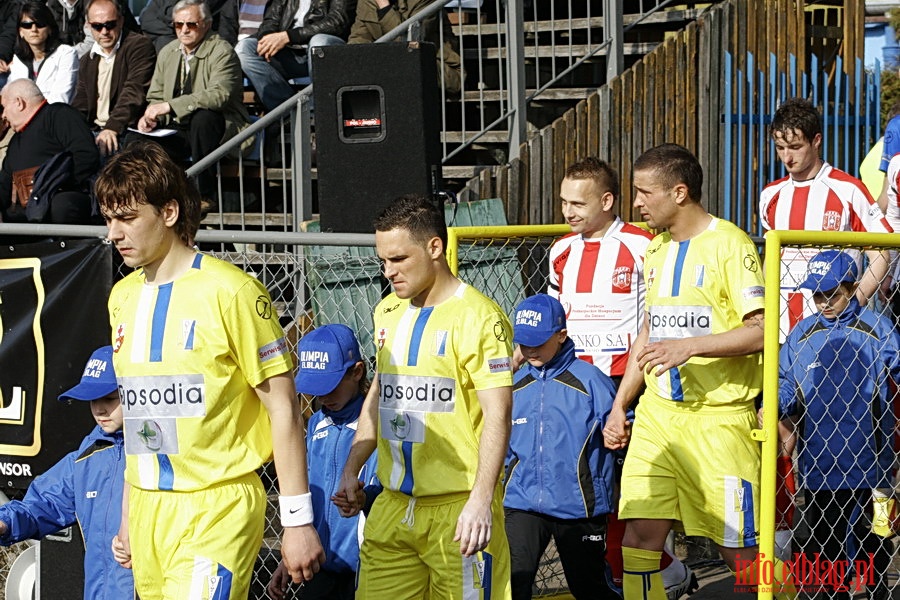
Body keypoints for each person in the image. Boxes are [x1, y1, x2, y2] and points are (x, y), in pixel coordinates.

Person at [96, 141, 324, 599]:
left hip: (216, 507)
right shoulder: (122, 297)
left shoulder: (233, 291)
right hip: (147, 510)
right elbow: (142, 416)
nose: (113, 234)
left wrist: (297, 520)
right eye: (108, 219)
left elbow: (283, 408)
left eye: (127, 218)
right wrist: (127, 513)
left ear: (170, 213)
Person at [602, 144, 792, 599]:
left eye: (645, 193)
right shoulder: (656, 249)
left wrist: (691, 347)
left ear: (680, 193)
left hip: (720, 424)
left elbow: (763, 332)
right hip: (658, 420)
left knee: (743, 558)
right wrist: (619, 404)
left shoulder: (731, 243)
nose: (637, 203)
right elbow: (649, 335)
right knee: (640, 542)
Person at [332, 194, 513, 599]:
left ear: (435, 248)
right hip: (393, 508)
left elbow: (498, 416)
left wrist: (482, 501)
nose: (388, 271)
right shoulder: (386, 312)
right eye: (382, 261)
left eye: (398, 259)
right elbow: (380, 395)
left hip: (458, 510)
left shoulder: (481, 318)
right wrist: (352, 468)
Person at [547, 156, 696, 599]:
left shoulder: (642, 244)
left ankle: (662, 566)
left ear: (608, 201)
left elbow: (655, 316)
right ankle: (630, 571)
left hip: (625, 383)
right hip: (576, 384)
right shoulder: (560, 251)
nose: (568, 211)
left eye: (578, 202)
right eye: (563, 202)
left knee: (631, 483)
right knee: (588, 481)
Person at [778, 250, 899, 600]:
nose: (823, 302)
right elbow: (788, 382)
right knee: (827, 541)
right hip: (820, 461)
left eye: (831, 294)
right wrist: (776, 403)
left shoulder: (876, 328)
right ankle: (836, 593)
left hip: (873, 461)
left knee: (878, 533)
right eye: (816, 294)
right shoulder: (803, 334)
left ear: (851, 288)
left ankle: (877, 589)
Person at [504, 293, 618, 600]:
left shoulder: (590, 381)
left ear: (561, 335)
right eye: (524, 343)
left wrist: (618, 432)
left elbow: (620, 424)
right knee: (512, 584)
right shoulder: (513, 383)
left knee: (589, 588)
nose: (529, 350)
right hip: (522, 501)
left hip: (578, 506)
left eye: (538, 343)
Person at [0, 345, 133, 600]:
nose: (99, 410)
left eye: (109, 398)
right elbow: (41, 504)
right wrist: (5, 523)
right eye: (93, 399)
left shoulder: (163, 455)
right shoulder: (85, 459)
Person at [759, 97, 892, 334]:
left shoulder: (848, 189)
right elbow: (771, 256)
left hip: (834, 331)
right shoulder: (771, 194)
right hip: (781, 331)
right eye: (781, 148)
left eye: (796, 147)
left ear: (816, 141)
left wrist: (855, 303)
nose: (787, 157)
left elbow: (881, 253)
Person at [268, 324, 378, 600]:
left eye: (330, 385)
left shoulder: (377, 428)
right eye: (316, 388)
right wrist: (292, 550)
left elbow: (391, 493)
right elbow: (311, 488)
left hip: (366, 567)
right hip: (323, 566)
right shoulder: (317, 422)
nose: (323, 397)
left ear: (357, 372)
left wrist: (367, 499)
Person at [130, 0, 251, 202]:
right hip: (177, 128)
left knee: (203, 119)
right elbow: (156, 96)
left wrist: (170, 106)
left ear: (206, 24)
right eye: (178, 25)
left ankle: (204, 195)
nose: (184, 30)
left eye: (191, 24)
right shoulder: (168, 52)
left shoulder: (222, 51)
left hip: (220, 129)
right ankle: (147, 198)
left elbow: (219, 95)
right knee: (134, 140)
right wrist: (152, 119)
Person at [0, 79, 100, 224]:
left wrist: (50, 188)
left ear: (19, 103)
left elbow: (86, 156)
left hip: (61, 200)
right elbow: (4, 185)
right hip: (26, 210)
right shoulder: (15, 142)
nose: (3, 115)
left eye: (4, 107)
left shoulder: (58, 115)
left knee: (62, 204)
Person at [72, 0, 155, 158]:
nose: (104, 31)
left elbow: (134, 92)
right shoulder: (87, 60)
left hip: (125, 132)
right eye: (97, 26)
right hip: (95, 131)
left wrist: (112, 127)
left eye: (110, 25)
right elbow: (80, 104)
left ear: (121, 21)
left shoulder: (139, 46)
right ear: (88, 26)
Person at [235, 0, 350, 112]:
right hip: (289, 52)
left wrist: (289, 36)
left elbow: (337, 21)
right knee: (244, 48)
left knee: (318, 42)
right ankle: (286, 110)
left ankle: (320, 109)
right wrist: (268, 38)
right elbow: (271, 20)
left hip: (325, 51)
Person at [347, 0, 462, 94]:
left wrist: (384, 7)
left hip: (435, 67)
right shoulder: (368, 2)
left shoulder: (424, 1)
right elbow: (359, 38)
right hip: (390, 69)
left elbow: (408, 44)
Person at [8, 1, 78, 104]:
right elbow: (12, 97)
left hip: (54, 116)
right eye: (27, 25)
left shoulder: (66, 54)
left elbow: (61, 99)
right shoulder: (18, 59)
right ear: (21, 32)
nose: (34, 29)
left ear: (49, 29)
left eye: (40, 24)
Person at [140, 0, 237, 52]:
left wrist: (178, 27)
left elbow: (196, 17)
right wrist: (176, 29)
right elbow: (147, 21)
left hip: (201, 38)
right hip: (167, 38)